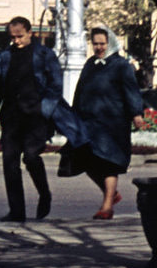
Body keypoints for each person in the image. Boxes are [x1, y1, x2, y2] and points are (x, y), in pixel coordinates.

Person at [0, 15, 77, 222]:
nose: (16, 41)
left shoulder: (45, 54)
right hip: (11, 115)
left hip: (36, 116)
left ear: (30, 33)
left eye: (20, 37)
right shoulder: (5, 56)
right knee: (9, 162)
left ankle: (44, 193)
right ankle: (16, 211)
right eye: (13, 38)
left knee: (30, 156)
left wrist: (44, 110)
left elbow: (56, 85)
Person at [59, 27, 146, 219]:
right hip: (89, 123)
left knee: (108, 162)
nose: (99, 47)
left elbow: (131, 90)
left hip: (112, 123)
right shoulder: (90, 63)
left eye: (102, 44)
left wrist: (136, 113)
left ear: (111, 43)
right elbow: (79, 91)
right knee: (86, 160)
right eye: (95, 43)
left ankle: (107, 207)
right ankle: (112, 194)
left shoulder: (121, 65)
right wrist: (73, 116)